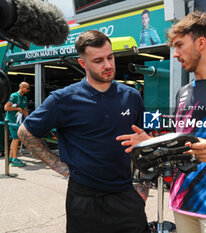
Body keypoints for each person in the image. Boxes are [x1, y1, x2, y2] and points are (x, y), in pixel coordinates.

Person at [117, 11, 206, 233]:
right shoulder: (183, 92)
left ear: (201, 43)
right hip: (181, 200)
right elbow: (179, 142)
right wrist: (151, 141)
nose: (175, 54)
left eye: (180, 45)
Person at [18, 30, 150, 233]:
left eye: (110, 57)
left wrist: (143, 187)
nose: (108, 65)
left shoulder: (132, 97)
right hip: (84, 199)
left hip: (126, 195)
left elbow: (143, 145)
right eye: (98, 60)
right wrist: (58, 165)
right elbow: (25, 132)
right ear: (83, 64)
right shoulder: (63, 99)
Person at [4, 82, 30, 167]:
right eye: (27, 88)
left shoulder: (25, 98)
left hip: (18, 121)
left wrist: (28, 121)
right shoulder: (14, 96)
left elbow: (25, 111)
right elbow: (6, 107)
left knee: (15, 139)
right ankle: (14, 159)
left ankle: (11, 157)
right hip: (11, 120)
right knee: (16, 139)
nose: (28, 90)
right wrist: (17, 108)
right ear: (22, 87)